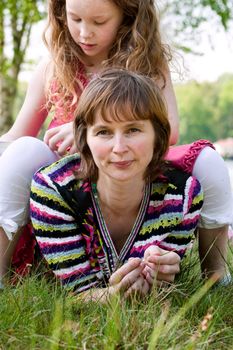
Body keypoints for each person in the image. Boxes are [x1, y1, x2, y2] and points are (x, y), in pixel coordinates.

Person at [0, 0, 232, 288]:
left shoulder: (147, 61)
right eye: (75, 19)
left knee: (209, 161)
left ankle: (216, 271)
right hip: (72, 173)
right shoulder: (54, 67)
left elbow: (169, 128)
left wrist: (91, 127)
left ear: (128, 15)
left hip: (134, 160)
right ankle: (3, 269)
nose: (85, 33)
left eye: (99, 22)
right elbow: (16, 135)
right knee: (22, 152)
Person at [30, 69, 204, 299]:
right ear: (85, 139)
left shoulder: (183, 196)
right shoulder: (54, 190)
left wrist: (161, 273)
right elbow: (77, 294)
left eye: (133, 130)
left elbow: (158, 285)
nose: (119, 148)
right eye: (103, 132)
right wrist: (113, 295)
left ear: (158, 135)